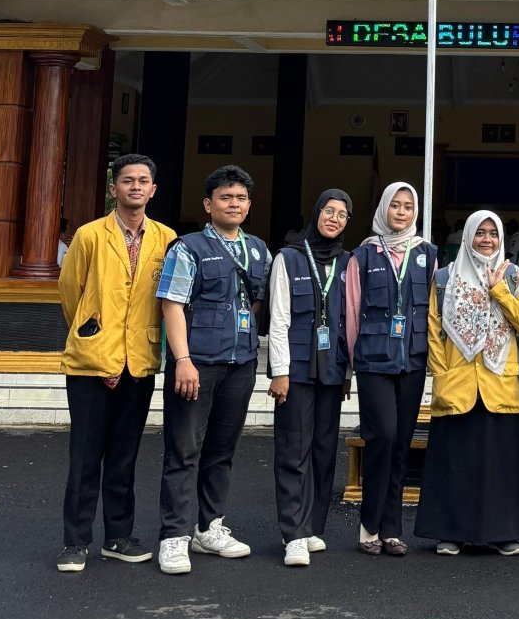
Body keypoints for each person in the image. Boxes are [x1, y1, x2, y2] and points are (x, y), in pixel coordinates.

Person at [56, 154, 176, 573]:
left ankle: (118, 537)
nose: (136, 186)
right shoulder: (90, 235)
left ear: (153, 190)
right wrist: (93, 334)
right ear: (114, 188)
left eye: (143, 180)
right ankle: (75, 542)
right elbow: (70, 291)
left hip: (139, 361)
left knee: (125, 455)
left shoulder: (166, 238)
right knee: (85, 455)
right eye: (128, 180)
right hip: (92, 362)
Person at [155, 165, 270, 576]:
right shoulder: (187, 248)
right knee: (184, 451)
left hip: (240, 364)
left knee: (222, 451)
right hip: (197, 364)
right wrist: (183, 360)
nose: (233, 204)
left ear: (249, 205)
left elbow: (254, 303)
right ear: (208, 204)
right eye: (225, 198)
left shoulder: (259, 249)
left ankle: (209, 528)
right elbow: (171, 304)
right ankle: (173, 535)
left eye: (240, 198)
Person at [413, 209, 519, 555]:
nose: (487, 240)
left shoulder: (514, 276)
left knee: (501, 464)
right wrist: (443, 373)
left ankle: (504, 533)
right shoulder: (445, 277)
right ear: (467, 237)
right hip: (458, 384)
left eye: (493, 233)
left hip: (500, 384)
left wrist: (499, 291)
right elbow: (433, 329)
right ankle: (450, 533)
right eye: (480, 233)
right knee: (455, 463)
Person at [346, 182, 436, 557]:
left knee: (401, 443)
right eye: (395, 205)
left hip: (412, 361)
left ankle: (392, 530)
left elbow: (433, 311)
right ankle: (369, 527)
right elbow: (352, 313)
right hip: (373, 361)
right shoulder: (362, 256)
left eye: (408, 207)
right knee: (381, 436)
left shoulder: (427, 254)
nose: (401, 212)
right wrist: (351, 366)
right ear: (383, 208)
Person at [267, 190, 353, 567]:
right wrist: (280, 371)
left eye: (342, 215)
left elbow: (351, 321)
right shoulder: (288, 258)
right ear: (316, 213)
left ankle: (313, 527)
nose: (334, 219)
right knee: (294, 451)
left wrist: (347, 372)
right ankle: (294, 533)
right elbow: (278, 319)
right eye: (329, 211)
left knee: (323, 450)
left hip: (332, 369)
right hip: (297, 370)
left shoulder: (348, 262)